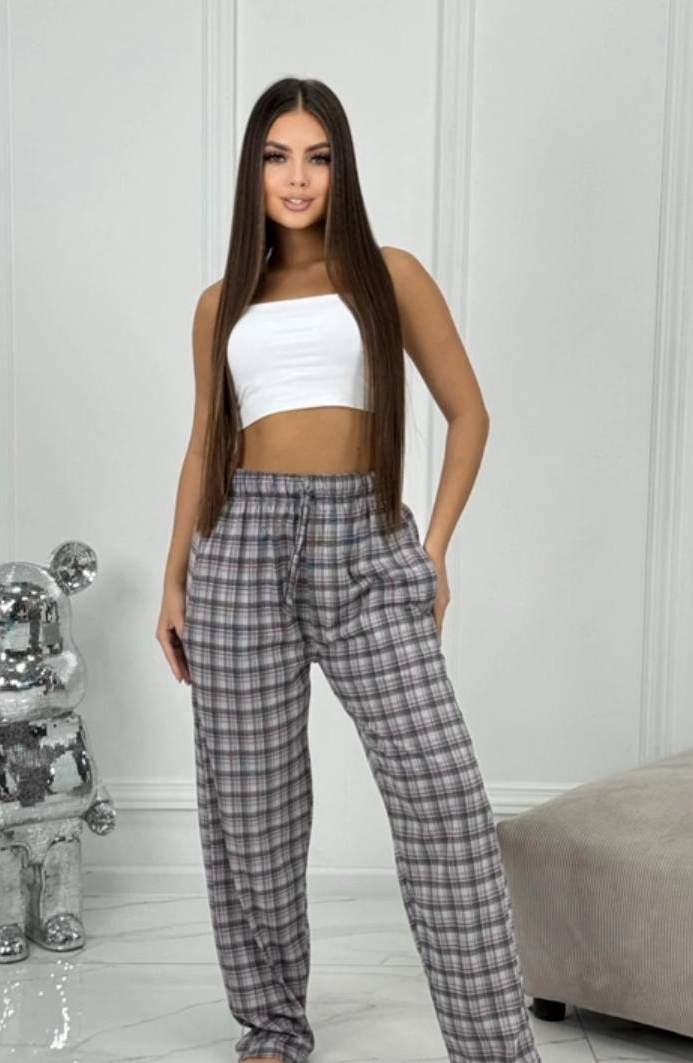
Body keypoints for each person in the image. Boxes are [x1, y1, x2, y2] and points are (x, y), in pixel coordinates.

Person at [157, 77, 542, 1063]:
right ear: (253, 171)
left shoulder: (389, 274)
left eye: (317, 156)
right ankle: (274, 1026)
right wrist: (173, 580)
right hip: (237, 548)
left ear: (342, 168)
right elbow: (204, 445)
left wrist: (435, 547)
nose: (297, 177)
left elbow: (470, 412)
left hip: (364, 539)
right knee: (252, 807)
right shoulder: (220, 303)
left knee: (443, 793)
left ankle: (495, 1047)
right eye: (277, 156)